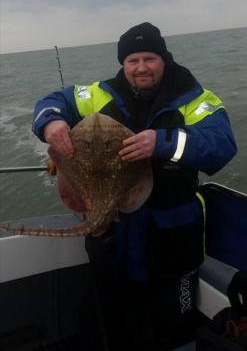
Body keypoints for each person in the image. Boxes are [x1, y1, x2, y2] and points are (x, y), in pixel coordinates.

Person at [32, 22, 237, 350]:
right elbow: (52, 101)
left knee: (174, 323)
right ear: (123, 64)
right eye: (132, 60)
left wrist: (162, 142)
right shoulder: (97, 94)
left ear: (164, 59)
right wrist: (51, 122)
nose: (141, 67)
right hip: (113, 231)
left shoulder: (195, 99)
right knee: (115, 319)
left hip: (174, 233)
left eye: (149, 58)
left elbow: (222, 143)